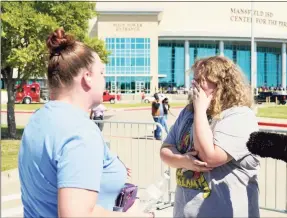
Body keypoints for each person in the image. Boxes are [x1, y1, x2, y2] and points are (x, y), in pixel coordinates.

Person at [18, 28, 153, 218]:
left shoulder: (39, 119)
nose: (104, 79)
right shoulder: (80, 132)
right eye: (102, 72)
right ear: (87, 77)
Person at [160, 56, 260, 217]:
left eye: (201, 80)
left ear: (221, 85)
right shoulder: (188, 112)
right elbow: (165, 151)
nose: (194, 85)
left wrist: (200, 110)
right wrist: (184, 161)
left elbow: (210, 157)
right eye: (194, 79)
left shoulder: (240, 116)